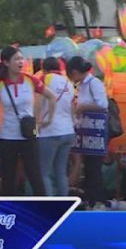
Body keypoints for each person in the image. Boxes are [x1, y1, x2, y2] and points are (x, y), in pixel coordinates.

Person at [0, 47, 55, 196]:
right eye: (16, 59)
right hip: (7, 136)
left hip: (29, 135)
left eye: (21, 59)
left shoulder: (30, 80)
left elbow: (51, 96)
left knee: (34, 175)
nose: (21, 62)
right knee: (8, 177)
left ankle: (43, 210)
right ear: (6, 62)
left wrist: (47, 119)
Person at [67, 56, 110, 210]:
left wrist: (83, 107)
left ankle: (99, 200)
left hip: (95, 132)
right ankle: (91, 199)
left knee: (94, 166)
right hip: (86, 131)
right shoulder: (81, 86)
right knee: (89, 167)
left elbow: (103, 104)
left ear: (75, 72)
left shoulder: (94, 83)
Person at [37, 57, 76, 197]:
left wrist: (36, 122)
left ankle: (50, 205)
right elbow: (72, 107)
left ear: (44, 68)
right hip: (68, 130)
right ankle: (63, 204)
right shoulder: (69, 82)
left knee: (44, 172)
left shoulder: (45, 79)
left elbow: (38, 102)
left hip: (49, 131)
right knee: (61, 171)